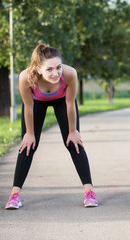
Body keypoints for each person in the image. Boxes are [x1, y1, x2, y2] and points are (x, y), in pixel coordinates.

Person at [5, 44, 98, 209]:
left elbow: (70, 103)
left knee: (73, 143)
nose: (55, 73)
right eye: (49, 69)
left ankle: (89, 191)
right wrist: (30, 133)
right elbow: (28, 106)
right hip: (36, 103)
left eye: (58, 67)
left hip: (62, 100)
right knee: (28, 145)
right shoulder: (25, 77)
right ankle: (14, 195)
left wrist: (72, 131)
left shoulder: (70, 74)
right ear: (38, 69)